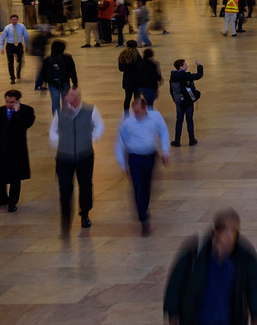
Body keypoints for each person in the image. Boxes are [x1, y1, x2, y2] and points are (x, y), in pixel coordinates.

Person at [50, 88, 104, 234]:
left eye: (71, 99)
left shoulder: (90, 110)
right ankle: (65, 218)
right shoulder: (59, 113)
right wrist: (59, 142)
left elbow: (99, 126)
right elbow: (53, 131)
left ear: (78, 99)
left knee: (85, 185)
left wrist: (90, 138)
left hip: (84, 156)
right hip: (64, 157)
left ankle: (84, 213)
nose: (68, 102)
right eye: (67, 99)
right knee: (65, 188)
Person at [116, 93, 171, 235]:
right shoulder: (127, 120)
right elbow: (120, 141)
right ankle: (143, 217)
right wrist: (122, 163)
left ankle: (143, 210)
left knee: (146, 186)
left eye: (138, 111)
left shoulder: (155, 117)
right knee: (137, 186)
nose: (136, 113)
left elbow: (164, 132)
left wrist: (165, 151)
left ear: (145, 108)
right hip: (134, 158)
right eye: (134, 111)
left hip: (150, 158)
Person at [35, 39, 79, 115]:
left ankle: (57, 120)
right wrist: (75, 82)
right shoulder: (67, 58)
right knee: (66, 102)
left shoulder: (48, 59)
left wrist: (43, 84)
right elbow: (72, 71)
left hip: (52, 84)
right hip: (65, 82)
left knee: (55, 103)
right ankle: (66, 118)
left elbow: (43, 73)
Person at [169, 59, 204, 144]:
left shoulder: (173, 77)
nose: (186, 66)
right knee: (189, 120)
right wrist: (199, 65)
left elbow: (171, 90)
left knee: (179, 121)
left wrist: (175, 100)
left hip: (179, 102)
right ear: (181, 67)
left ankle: (177, 140)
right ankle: (191, 139)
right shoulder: (187, 76)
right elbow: (199, 75)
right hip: (188, 101)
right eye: (185, 65)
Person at [0, 15, 29, 84]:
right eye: (12, 20)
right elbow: (3, 38)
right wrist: (1, 48)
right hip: (10, 45)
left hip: (18, 45)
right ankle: (12, 77)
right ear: (10, 20)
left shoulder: (22, 26)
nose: (14, 21)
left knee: (20, 60)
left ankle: (18, 71)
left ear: (17, 20)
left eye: (15, 20)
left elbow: (26, 35)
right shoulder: (7, 28)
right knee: (10, 62)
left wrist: (27, 45)